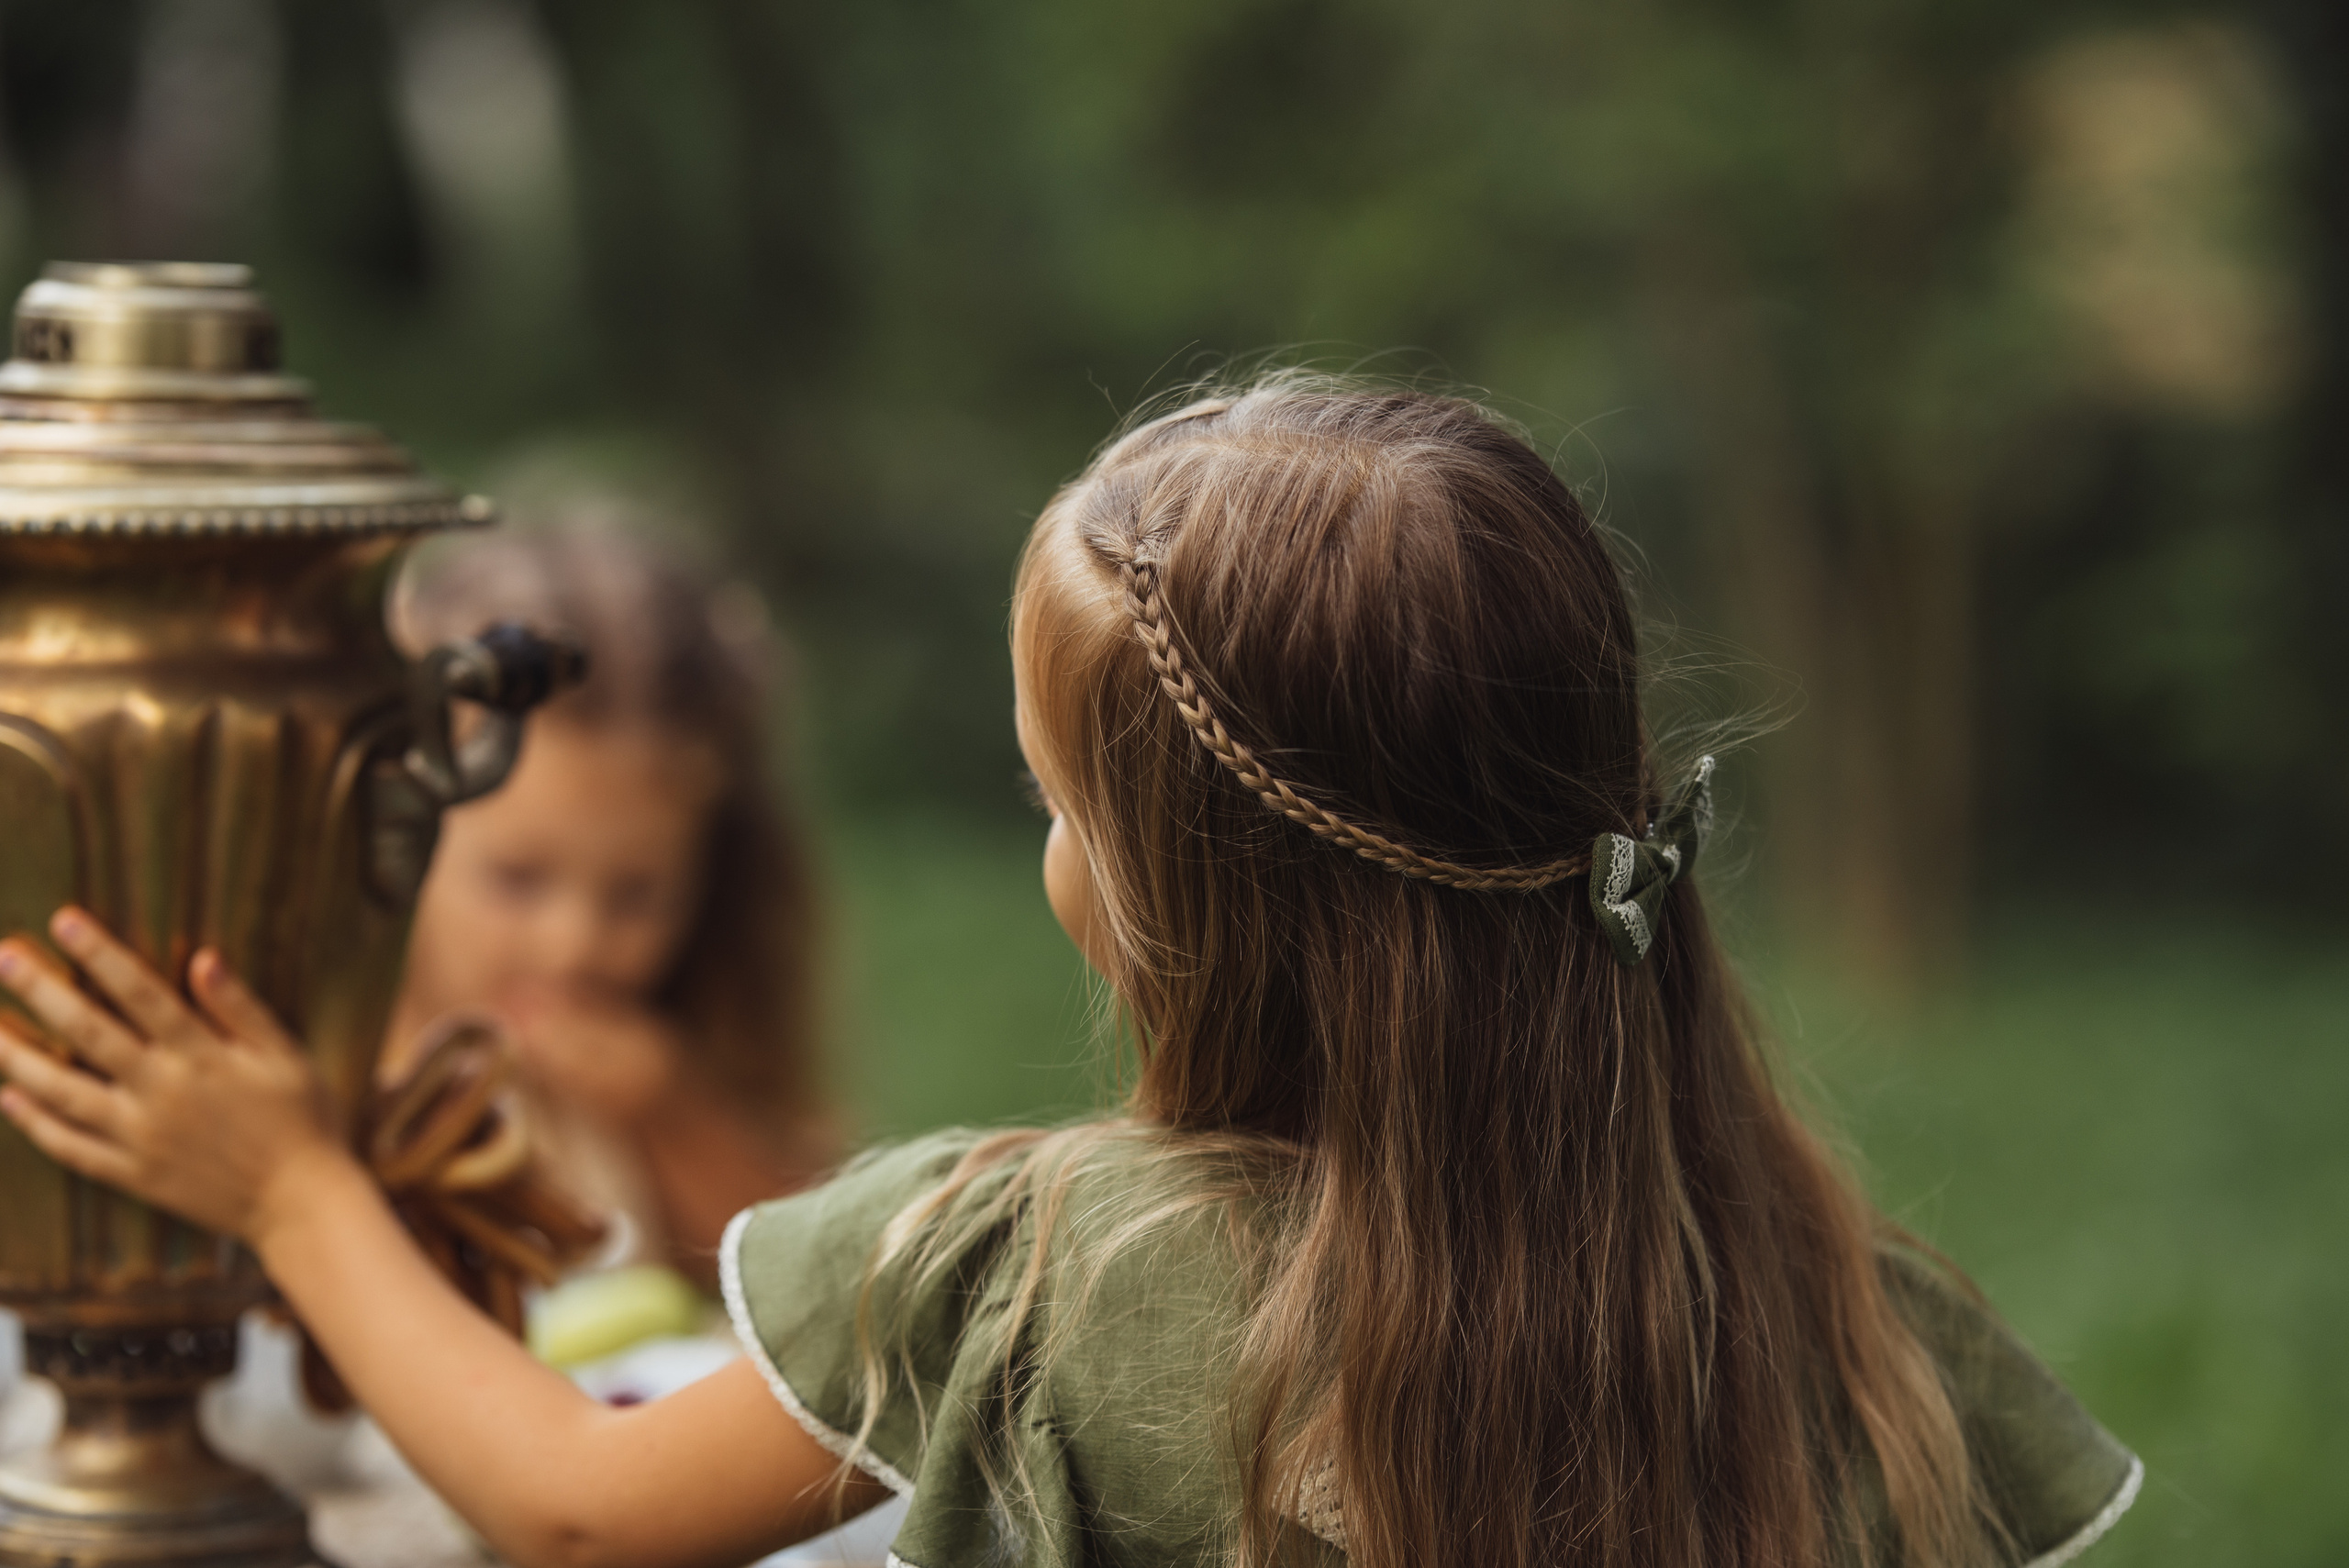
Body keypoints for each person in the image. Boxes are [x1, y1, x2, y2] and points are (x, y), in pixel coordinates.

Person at [0, 380, 2138, 1568]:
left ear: (1165, 896)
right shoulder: (1840, 1309)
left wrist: (285, 1182)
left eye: (1057, 802)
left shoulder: (1048, 1268)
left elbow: (568, 1513)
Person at [387, 528, 838, 1280]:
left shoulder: (658, 1083)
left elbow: (818, 1282)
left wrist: (672, 1114)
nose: (572, 944)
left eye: (637, 893)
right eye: (517, 878)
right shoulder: (337, 1076)